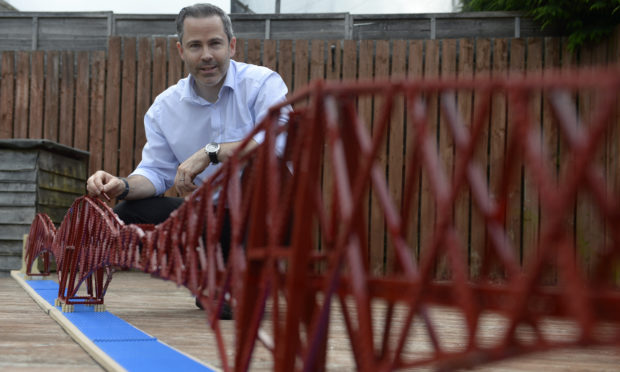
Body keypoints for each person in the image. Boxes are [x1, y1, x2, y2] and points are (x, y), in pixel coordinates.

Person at [85, 3, 290, 317]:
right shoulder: (165, 107)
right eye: (196, 45)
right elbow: (155, 173)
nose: (206, 54)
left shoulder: (263, 84)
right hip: (210, 218)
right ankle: (209, 273)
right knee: (130, 213)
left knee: (233, 309)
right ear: (181, 50)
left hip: (264, 217)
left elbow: (278, 145)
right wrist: (121, 185)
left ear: (231, 46)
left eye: (215, 43)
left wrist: (212, 152)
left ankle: (243, 277)